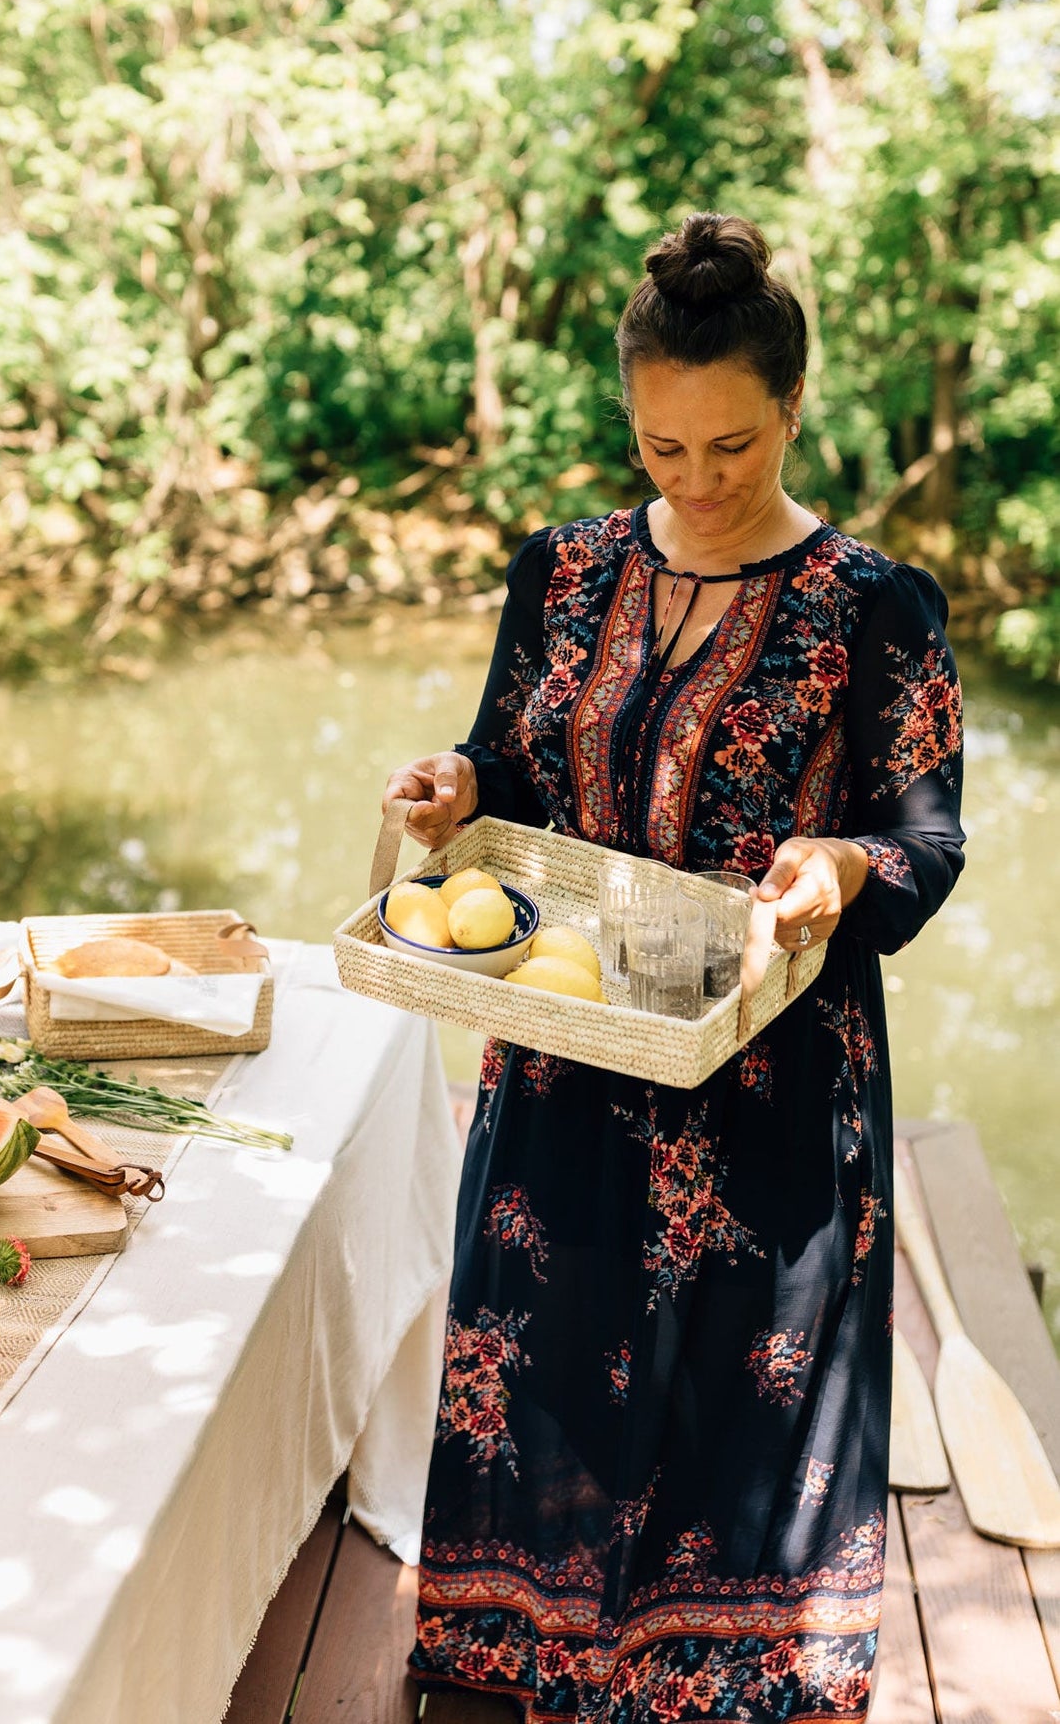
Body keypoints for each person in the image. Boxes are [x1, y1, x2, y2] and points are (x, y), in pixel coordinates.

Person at [387, 212, 964, 1723]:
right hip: (564, 1059)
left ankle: (731, 1668)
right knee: (550, 1352)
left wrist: (841, 867)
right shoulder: (560, 574)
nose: (698, 484)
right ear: (626, 420)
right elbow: (506, 763)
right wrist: (454, 791)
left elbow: (926, 842)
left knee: (736, 1393)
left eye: (732, 446)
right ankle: (530, 1643)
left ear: (789, 410)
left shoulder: (874, 609)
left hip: (773, 1080)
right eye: (662, 450)